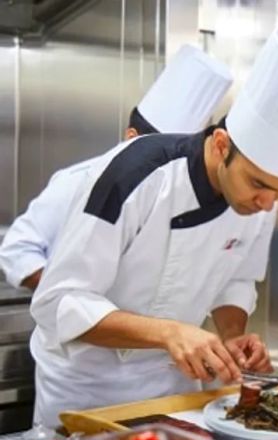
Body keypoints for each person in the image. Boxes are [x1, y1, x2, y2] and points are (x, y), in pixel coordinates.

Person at [29, 23, 278, 428]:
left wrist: (232, 336)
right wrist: (169, 333)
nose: (268, 203)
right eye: (258, 183)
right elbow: (58, 302)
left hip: (177, 390)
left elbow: (236, 280)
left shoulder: (262, 197)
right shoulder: (136, 173)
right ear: (222, 145)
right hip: (87, 394)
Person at [0, 45, 233, 291]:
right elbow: (17, 249)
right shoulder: (79, 180)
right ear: (131, 137)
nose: (169, 167)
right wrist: (73, 298)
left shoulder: (188, 198)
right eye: (159, 152)